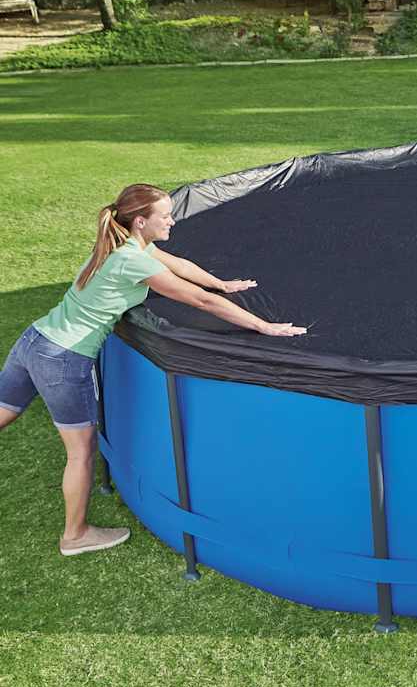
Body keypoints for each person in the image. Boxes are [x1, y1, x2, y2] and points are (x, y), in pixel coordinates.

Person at [0, 183, 306, 557]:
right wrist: (263, 326)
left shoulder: (121, 244)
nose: (172, 221)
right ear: (141, 221)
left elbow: (178, 265)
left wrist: (222, 283)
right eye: (165, 216)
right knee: (80, 452)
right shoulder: (134, 260)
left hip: (35, 339)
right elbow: (199, 301)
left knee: (4, 412)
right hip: (63, 358)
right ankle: (75, 536)